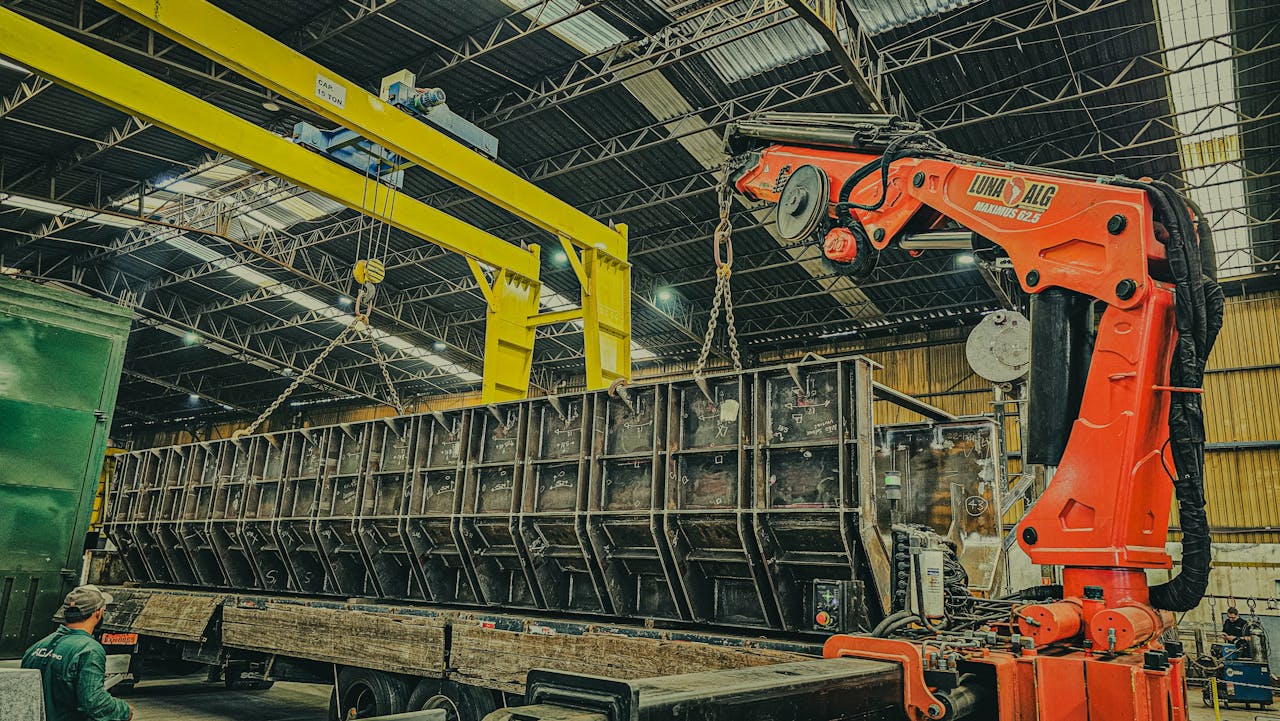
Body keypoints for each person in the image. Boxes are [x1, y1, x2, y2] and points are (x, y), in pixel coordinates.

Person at [21, 585, 132, 721]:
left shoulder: (35, 647)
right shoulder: (89, 650)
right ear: (98, 613)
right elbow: (94, 702)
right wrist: (124, 710)